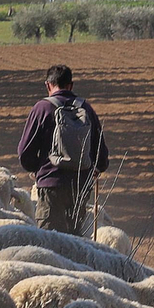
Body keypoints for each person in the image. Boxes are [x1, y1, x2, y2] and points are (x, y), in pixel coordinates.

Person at [17, 64, 109, 235]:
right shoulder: (86, 109)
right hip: (80, 188)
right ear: (71, 85)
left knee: (50, 243)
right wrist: (94, 170)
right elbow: (101, 156)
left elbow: (24, 152)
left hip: (51, 186)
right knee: (73, 244)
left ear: (47, 85)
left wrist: (37, 169)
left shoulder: (41, 108)